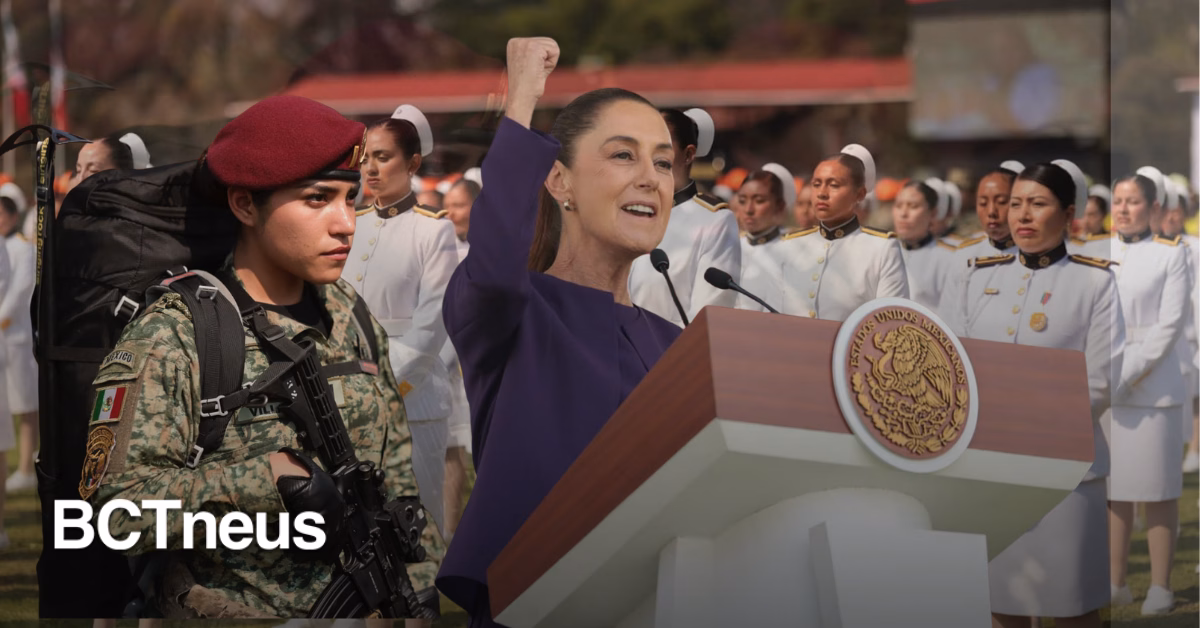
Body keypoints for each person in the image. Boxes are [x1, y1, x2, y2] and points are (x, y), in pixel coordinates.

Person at [84, 95, 429, 618]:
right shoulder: (177, 334)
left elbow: (397, 473)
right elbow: (110, 510)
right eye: (317, 199)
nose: (345, 223)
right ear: (245, 205)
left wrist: (421, 588)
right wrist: (263, 478)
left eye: (349, 198)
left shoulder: (351, 314)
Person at [435, 37, 683, 627]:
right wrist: (521, 95)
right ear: (559, 182)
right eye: (623, 156)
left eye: (665, 161)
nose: (651, 178)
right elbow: (495, 263)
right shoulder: (513, 310)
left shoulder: (676, 345)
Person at [951, 160, 1121, 628]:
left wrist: (1026, 429)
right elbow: (958, 366)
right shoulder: (979, 276)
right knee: (1002, 602)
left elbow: (1100, 382)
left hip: (1065, 471)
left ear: (1068, 215)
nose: (1022, 215)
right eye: (1016, 203)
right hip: (990, 467)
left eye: (1038, 204)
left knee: (1070, 604)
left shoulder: (1096, 282)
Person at [341, 104, 460, 550]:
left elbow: (433, 320)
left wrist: (388, 384)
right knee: (357, 528)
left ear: (412, 164)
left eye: (384, 157)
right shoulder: (349, 225)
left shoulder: (434, 232)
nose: (370, 168)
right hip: (348, 394)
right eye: (365, 156)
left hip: (413, 398)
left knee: (414, 526)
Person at [1104, 166, 1189, 615]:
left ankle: (1159, 585)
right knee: (1115, 487)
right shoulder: (1098, 252)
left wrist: (1128, 369)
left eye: (1132, 201)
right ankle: (1116, 581)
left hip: (1153, 385)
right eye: (1118, 200)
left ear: (1154, 208)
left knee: (1157, 488)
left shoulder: (1171, 254)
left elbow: (1170, 323)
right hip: (1106, 384)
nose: (1122, 208)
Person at [628, 107, 741, 327]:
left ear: (688, 154)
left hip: (670, 353)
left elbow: (710, 316)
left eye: (661, 145)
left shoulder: (715, 221)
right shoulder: (625, 212)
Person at [774, 144, 909, 321]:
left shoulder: (882, 248)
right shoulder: (789, 244)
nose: (822, 193)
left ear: (860, 195)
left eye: (834, 185)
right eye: (816, 184)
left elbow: (891, 322)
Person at [438, 175, 482, 541]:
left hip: (473, 363)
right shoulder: (441, 249)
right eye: (448, 203)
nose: (450, 212)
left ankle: (454, 533)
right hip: (438, 360)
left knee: (459, 447)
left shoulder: (488, 253)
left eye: (459, 204)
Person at [0, 182, 38, 494]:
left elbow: (19, 291)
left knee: (26, 406)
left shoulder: (24, 247)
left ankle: (26, 467)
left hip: (16, 338)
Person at [734, 165, 793, 312]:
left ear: (779, 206)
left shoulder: (792, 251)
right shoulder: (729, 246)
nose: (749, 210)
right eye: (742, 201)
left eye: (759, 201)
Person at [891, 178, 955, 312]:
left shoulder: (949, 258)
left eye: (913, 206)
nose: (903, 214)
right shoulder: (884, 251)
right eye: (898, 205)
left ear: (933, 213)